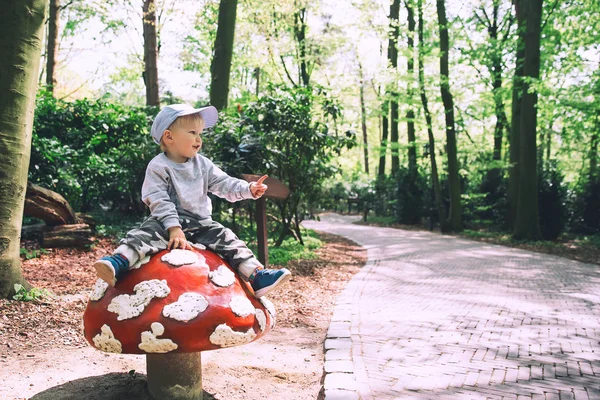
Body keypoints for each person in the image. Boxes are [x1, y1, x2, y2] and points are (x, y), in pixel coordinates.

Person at [92, 103, 291, 298]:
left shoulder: (203, 164)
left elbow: (223, 183)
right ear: (169, 137)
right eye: (192, 132)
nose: (199, 139)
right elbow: (158, 199)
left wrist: (248, 189)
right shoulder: (158, 166)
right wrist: (173, 227)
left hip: (201, 223)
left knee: (228, 238)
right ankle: (118, 262)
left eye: (200, 134)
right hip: (165, 223)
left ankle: (256, 275)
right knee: (142, 235)